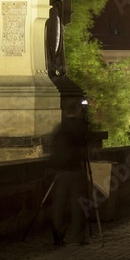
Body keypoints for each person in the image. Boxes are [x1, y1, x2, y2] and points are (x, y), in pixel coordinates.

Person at [50, 101, 90, 246]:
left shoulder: (60, 126)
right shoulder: (80, 126)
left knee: (59, 206)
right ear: (77, 110)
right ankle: (79, 237)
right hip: (75, 171)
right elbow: (84, 147)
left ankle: (58, 237)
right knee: (78, 205)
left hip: (60, 172)